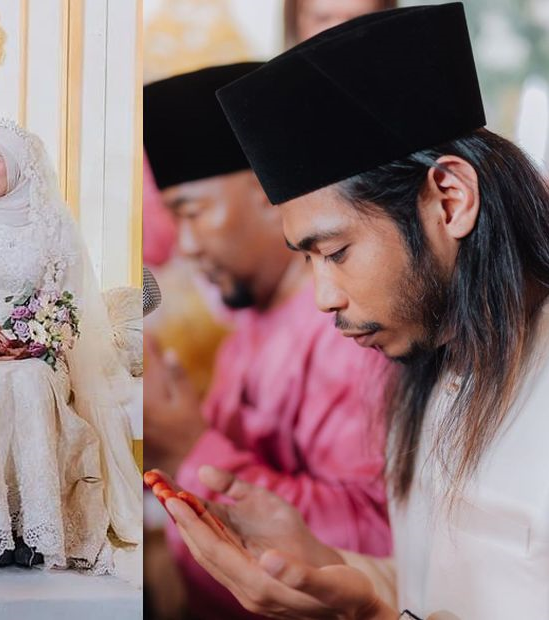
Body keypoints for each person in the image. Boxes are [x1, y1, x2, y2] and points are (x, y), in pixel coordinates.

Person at [168, 3, 549, 617]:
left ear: (449, 201)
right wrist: (328, 565)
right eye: (307, 260)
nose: (324, 298)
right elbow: (433, 587)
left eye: (336, 252)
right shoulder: (431, 365)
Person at [144, 63, 392, 620]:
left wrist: (187, 449)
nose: (186, 246)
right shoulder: (249, 323)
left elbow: (378, 540)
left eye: (193, 212)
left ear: (265, 192)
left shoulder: (349, 329)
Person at [0, 118, 142, 573]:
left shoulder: (53, 223)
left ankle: (37, 529)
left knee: (30, 384)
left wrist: (34, 339)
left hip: (40, 351)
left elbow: (69, 302)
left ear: (17, 166)